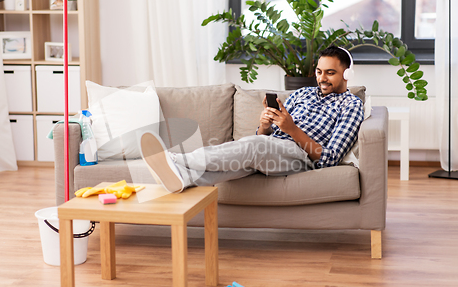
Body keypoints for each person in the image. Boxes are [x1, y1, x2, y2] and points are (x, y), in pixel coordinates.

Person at [139, 46, 364, 193]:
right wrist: (265, 126)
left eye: (330, 73)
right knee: (248, 156)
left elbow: (330, 159)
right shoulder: (302, 94)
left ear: (347, 74)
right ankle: (182, 178)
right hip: (272, 148)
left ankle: (177, 160)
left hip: (301, 158)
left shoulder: (351, 105)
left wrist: (292, 130)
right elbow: (264, 138)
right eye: (318, 71)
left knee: (254, 147)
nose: (321, 78)